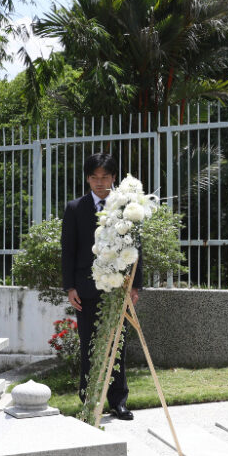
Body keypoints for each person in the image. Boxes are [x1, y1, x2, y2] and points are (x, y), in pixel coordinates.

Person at [61, 153, 141, 421]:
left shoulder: (125, 208)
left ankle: (118, 401)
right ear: (87, 178)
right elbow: (68, 251)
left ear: (114, 177)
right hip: (84, 289)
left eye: (105, 177)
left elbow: (135, 248)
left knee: (117, 344)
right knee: (89, 346)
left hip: (118, 289)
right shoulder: (75, 208)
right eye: (94, 177)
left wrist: (134, 286)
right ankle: (88, 401)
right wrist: (69, 287)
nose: (99, 182)